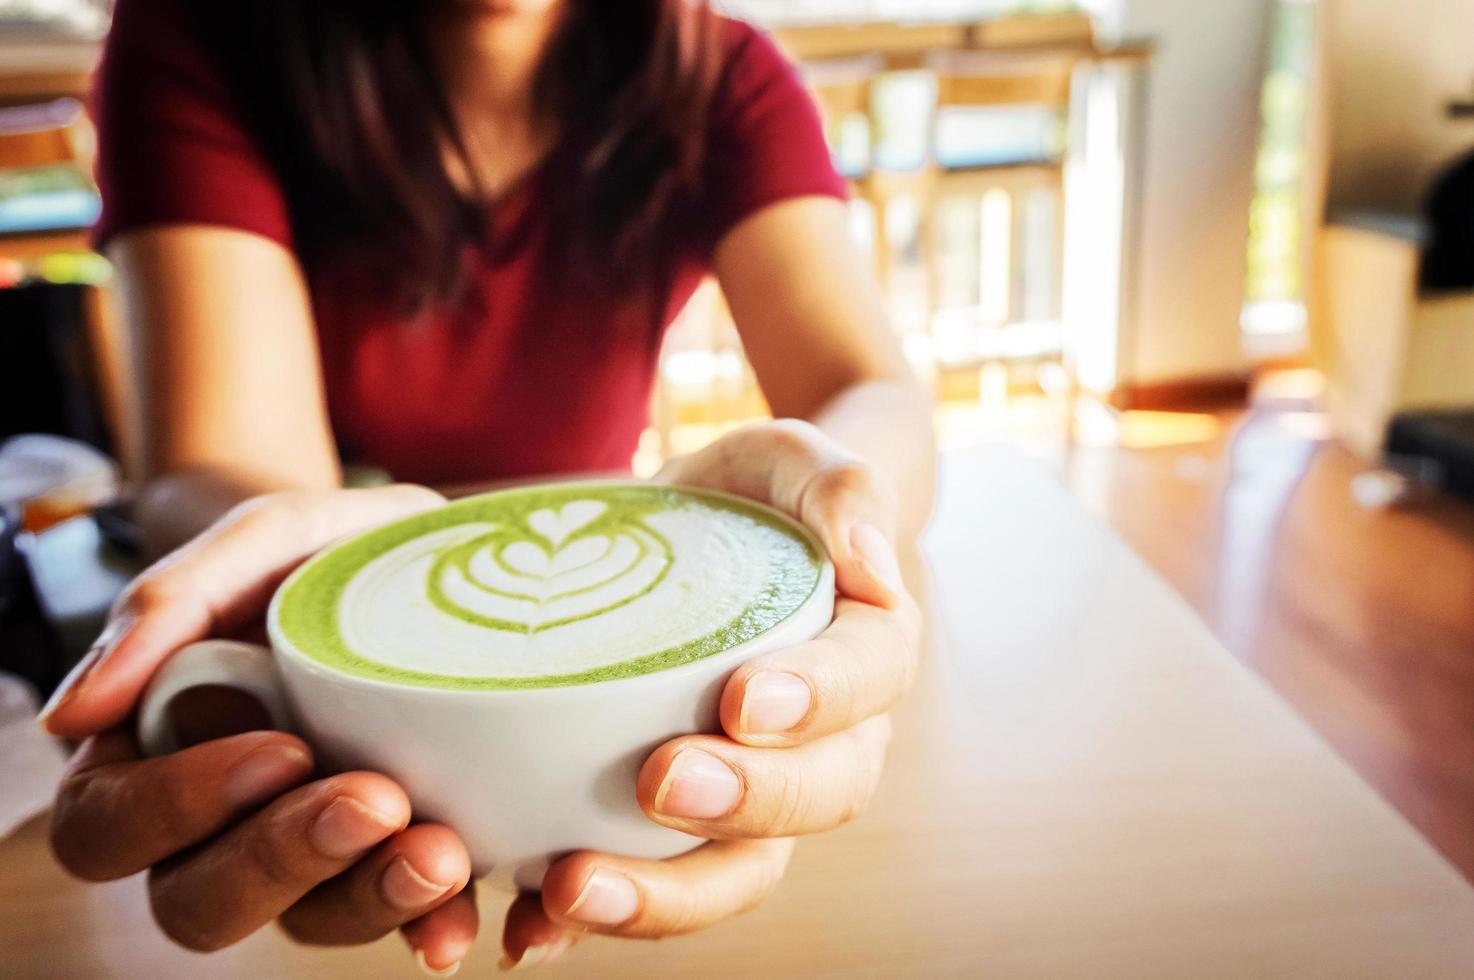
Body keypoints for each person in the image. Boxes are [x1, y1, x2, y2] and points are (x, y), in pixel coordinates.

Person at [41, 0, 934, 973]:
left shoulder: (720, 75)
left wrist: (832, 510)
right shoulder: (198, 34)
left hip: (606, 646)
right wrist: (281, 595)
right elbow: (226, 457)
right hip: (367, 722)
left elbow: (870, 390)